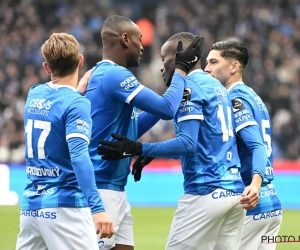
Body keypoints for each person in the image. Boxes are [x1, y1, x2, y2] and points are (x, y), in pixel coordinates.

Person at [98, 32, 252, 250]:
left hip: (205, 190)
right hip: (234, 192)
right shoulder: (219, 87)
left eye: (164, 59)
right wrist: (151, 152)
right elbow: (202, 144)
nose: (162, 67)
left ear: (179, 56)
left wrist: (138, 147)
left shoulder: (188, 87)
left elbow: (188, 143)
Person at [85, 16, 204, 250]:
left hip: (116, 188)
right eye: (140, 40)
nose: (143, 47)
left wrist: (168, 99)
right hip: (102, 188)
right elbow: (167, 108)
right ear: (125, 39)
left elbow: (134, 127)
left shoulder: (106, 74)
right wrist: (180, 71)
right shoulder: (114, 75)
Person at [16, 33, 114, 250]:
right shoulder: (77, 104)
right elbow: (79, 156)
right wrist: (97, 209)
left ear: (46, 67)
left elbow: (55, 105)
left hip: (31, 208)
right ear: (80, 60)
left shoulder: (34, 95)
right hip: (65, 208)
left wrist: (76, 93)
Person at [205, 40, 282, 250]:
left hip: (251, 200)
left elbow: (257, 146)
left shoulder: (235, 98)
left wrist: (255, 185)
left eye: (213, 62)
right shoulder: (254, 97)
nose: (207, 68)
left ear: (233, 66)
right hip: (271, 202)